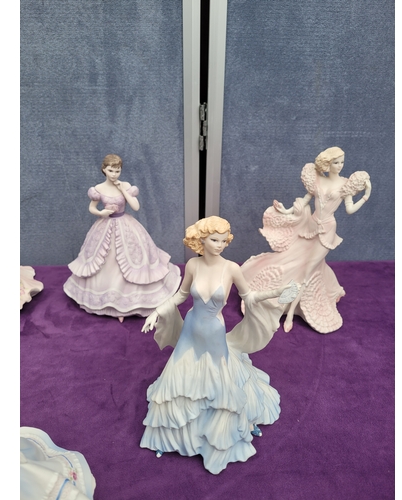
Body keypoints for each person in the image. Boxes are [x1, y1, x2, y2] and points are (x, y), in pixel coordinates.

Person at [140, 216, 289, 475]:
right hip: (190, 331)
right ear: (202, 240)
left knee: (220, 386)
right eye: (214, 240)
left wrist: (276, 293)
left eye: (223, 240)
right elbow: (181, 295)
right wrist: (156, 312)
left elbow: (249, 296)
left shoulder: (231, 268)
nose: (220, 245)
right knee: (178, 382)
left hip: (214, 334)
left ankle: (219, 437)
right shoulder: (193, 265)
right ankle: (170, 437)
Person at [241, 147, 371, 334]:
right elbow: (305, 200)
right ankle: (283, 303)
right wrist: (286, 211)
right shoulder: (318, 179)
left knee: (307, 271)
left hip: (327, 230)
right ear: (327, 163)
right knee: (292, 260)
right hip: (311, 225)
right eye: (336, 162)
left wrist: (366, 195)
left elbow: (349, 210)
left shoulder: (345, 185)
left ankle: (290, 312)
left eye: (342, 162)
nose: (340, 166)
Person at [63, 154, 180, 322]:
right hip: (105, 226)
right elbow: (92, 208)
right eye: (111, 170)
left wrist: (123, 190)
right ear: (104, 169)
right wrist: (101, 212)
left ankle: (129, 305)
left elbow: (136, 206)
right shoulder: (98, 189)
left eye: (117, 171)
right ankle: (109, 303)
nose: (114, 174)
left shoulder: (126, 186)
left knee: (131, 258)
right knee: (104, 261)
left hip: (126, 225)